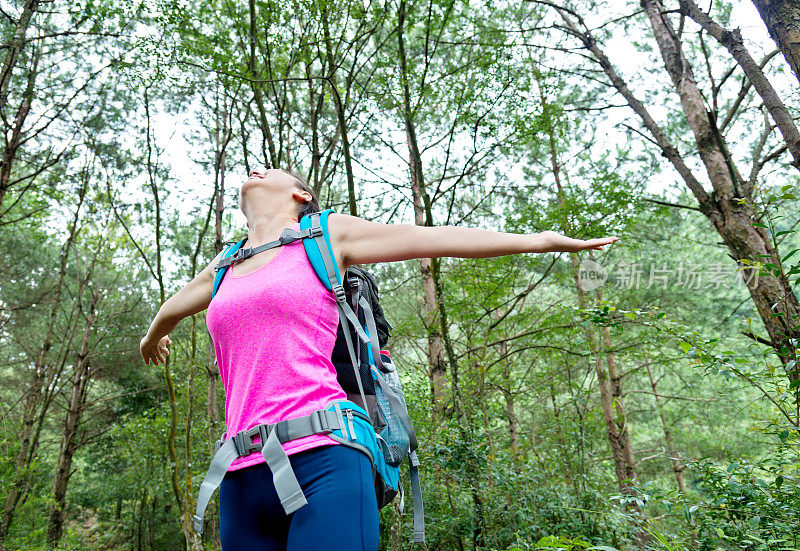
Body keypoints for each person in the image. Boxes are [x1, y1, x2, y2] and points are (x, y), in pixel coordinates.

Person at [139, 168, 618, 550]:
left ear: (301, 195)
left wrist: (541, 241)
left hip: (324, 458)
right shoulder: (225, 264)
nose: (259, 170)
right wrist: (152, 336)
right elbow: (173, 306)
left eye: (274, 169)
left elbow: (434, 237)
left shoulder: (326, 235)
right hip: (241, 472)